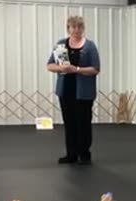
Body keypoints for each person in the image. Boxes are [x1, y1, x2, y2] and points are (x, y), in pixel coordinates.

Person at [47, 15, 100, 165]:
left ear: (83, 29)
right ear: (68, 28)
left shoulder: (90, 46)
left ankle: (84, 154)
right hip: (66, 91)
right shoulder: (61, 45)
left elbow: (95, 69)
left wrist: (76, 69)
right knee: (69, 123)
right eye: (73, 27)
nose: (76, 30)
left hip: (84, 92)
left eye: (79, 27)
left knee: (83, 123)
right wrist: (61, 68)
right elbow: (50, 65)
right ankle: (71, 154)